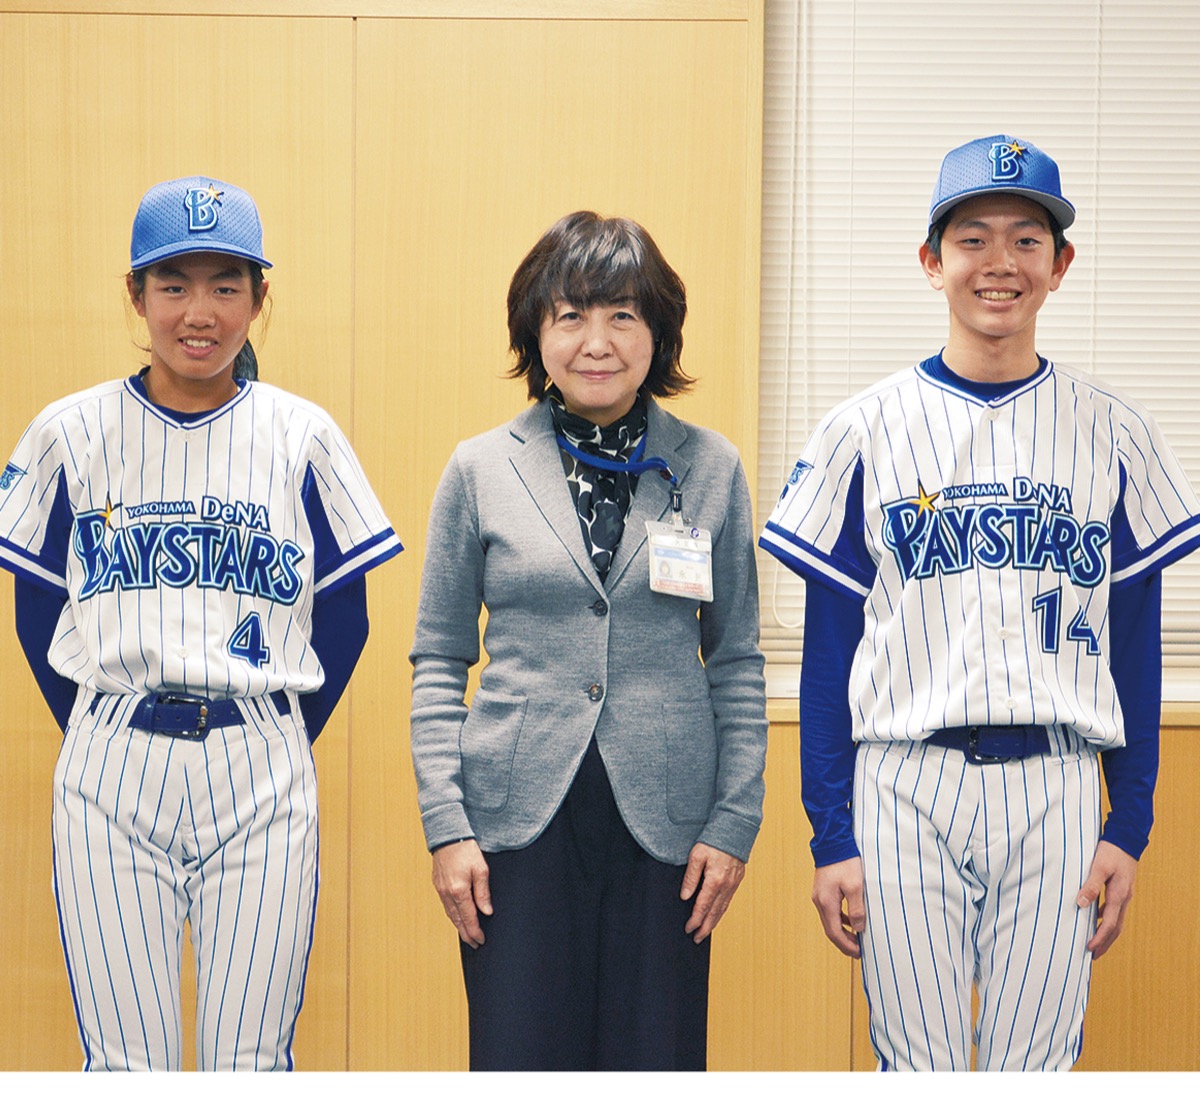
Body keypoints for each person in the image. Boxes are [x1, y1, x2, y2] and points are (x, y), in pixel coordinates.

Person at [760, 135, 1200, 1071]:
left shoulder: (1117, 432)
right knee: (915, 1067)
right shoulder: (862, 428)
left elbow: (1134, 644)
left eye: (1027, 239)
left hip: (1058, 780)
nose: (999, 263)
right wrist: (830, 830)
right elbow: (832, 651)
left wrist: (1129, 823)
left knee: (1033, 1070)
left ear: (1060, 264)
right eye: (972, 238)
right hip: (903, 782)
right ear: (932, 262)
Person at [0, 176, 402, 1070]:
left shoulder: (303, 433)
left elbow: (347, 617)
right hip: (110, 758)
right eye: (173, 283)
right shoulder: (70, 431)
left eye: (226, 284)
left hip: (260, 758)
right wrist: (103, 728)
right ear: (135, 296)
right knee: (123, 1063)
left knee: (251, 1063)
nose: (199, 311)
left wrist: (274, 733)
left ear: (261, 297)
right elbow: (37, 609)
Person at [409, 210, 767, 1071]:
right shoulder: (479, 469)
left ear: (658, 334)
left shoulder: (710, 466)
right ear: (537, 330)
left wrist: (734, 820)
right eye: (570, 315)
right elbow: (438, 660)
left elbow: (739, 661)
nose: (596, 341)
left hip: (668, 822)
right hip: (515, 821)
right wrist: (446, 824)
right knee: (519, 1053)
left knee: (657, 1056)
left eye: (622, 315)